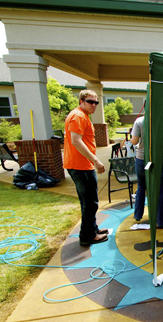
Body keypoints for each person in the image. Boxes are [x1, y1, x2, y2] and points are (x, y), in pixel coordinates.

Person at [64, 90, 108, 246]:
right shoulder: (78, 116)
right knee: (90, 202)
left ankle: (92, 229)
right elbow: (75, 141)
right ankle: (87, 236)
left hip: (82, 164)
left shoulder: (82, 115)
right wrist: (95, 160)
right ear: (81, 101)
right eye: (90, 102)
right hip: (80, 165)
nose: (94, 105)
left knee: (89, 201)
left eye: (96, 102)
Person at [131, 101, 163, 227]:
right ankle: (160, 220)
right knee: (159, 189)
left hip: (141, 160)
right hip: (158, 160)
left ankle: (138, 214)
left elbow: (134, 141)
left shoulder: (139, 121)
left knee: (141, 185)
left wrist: (133, 137)